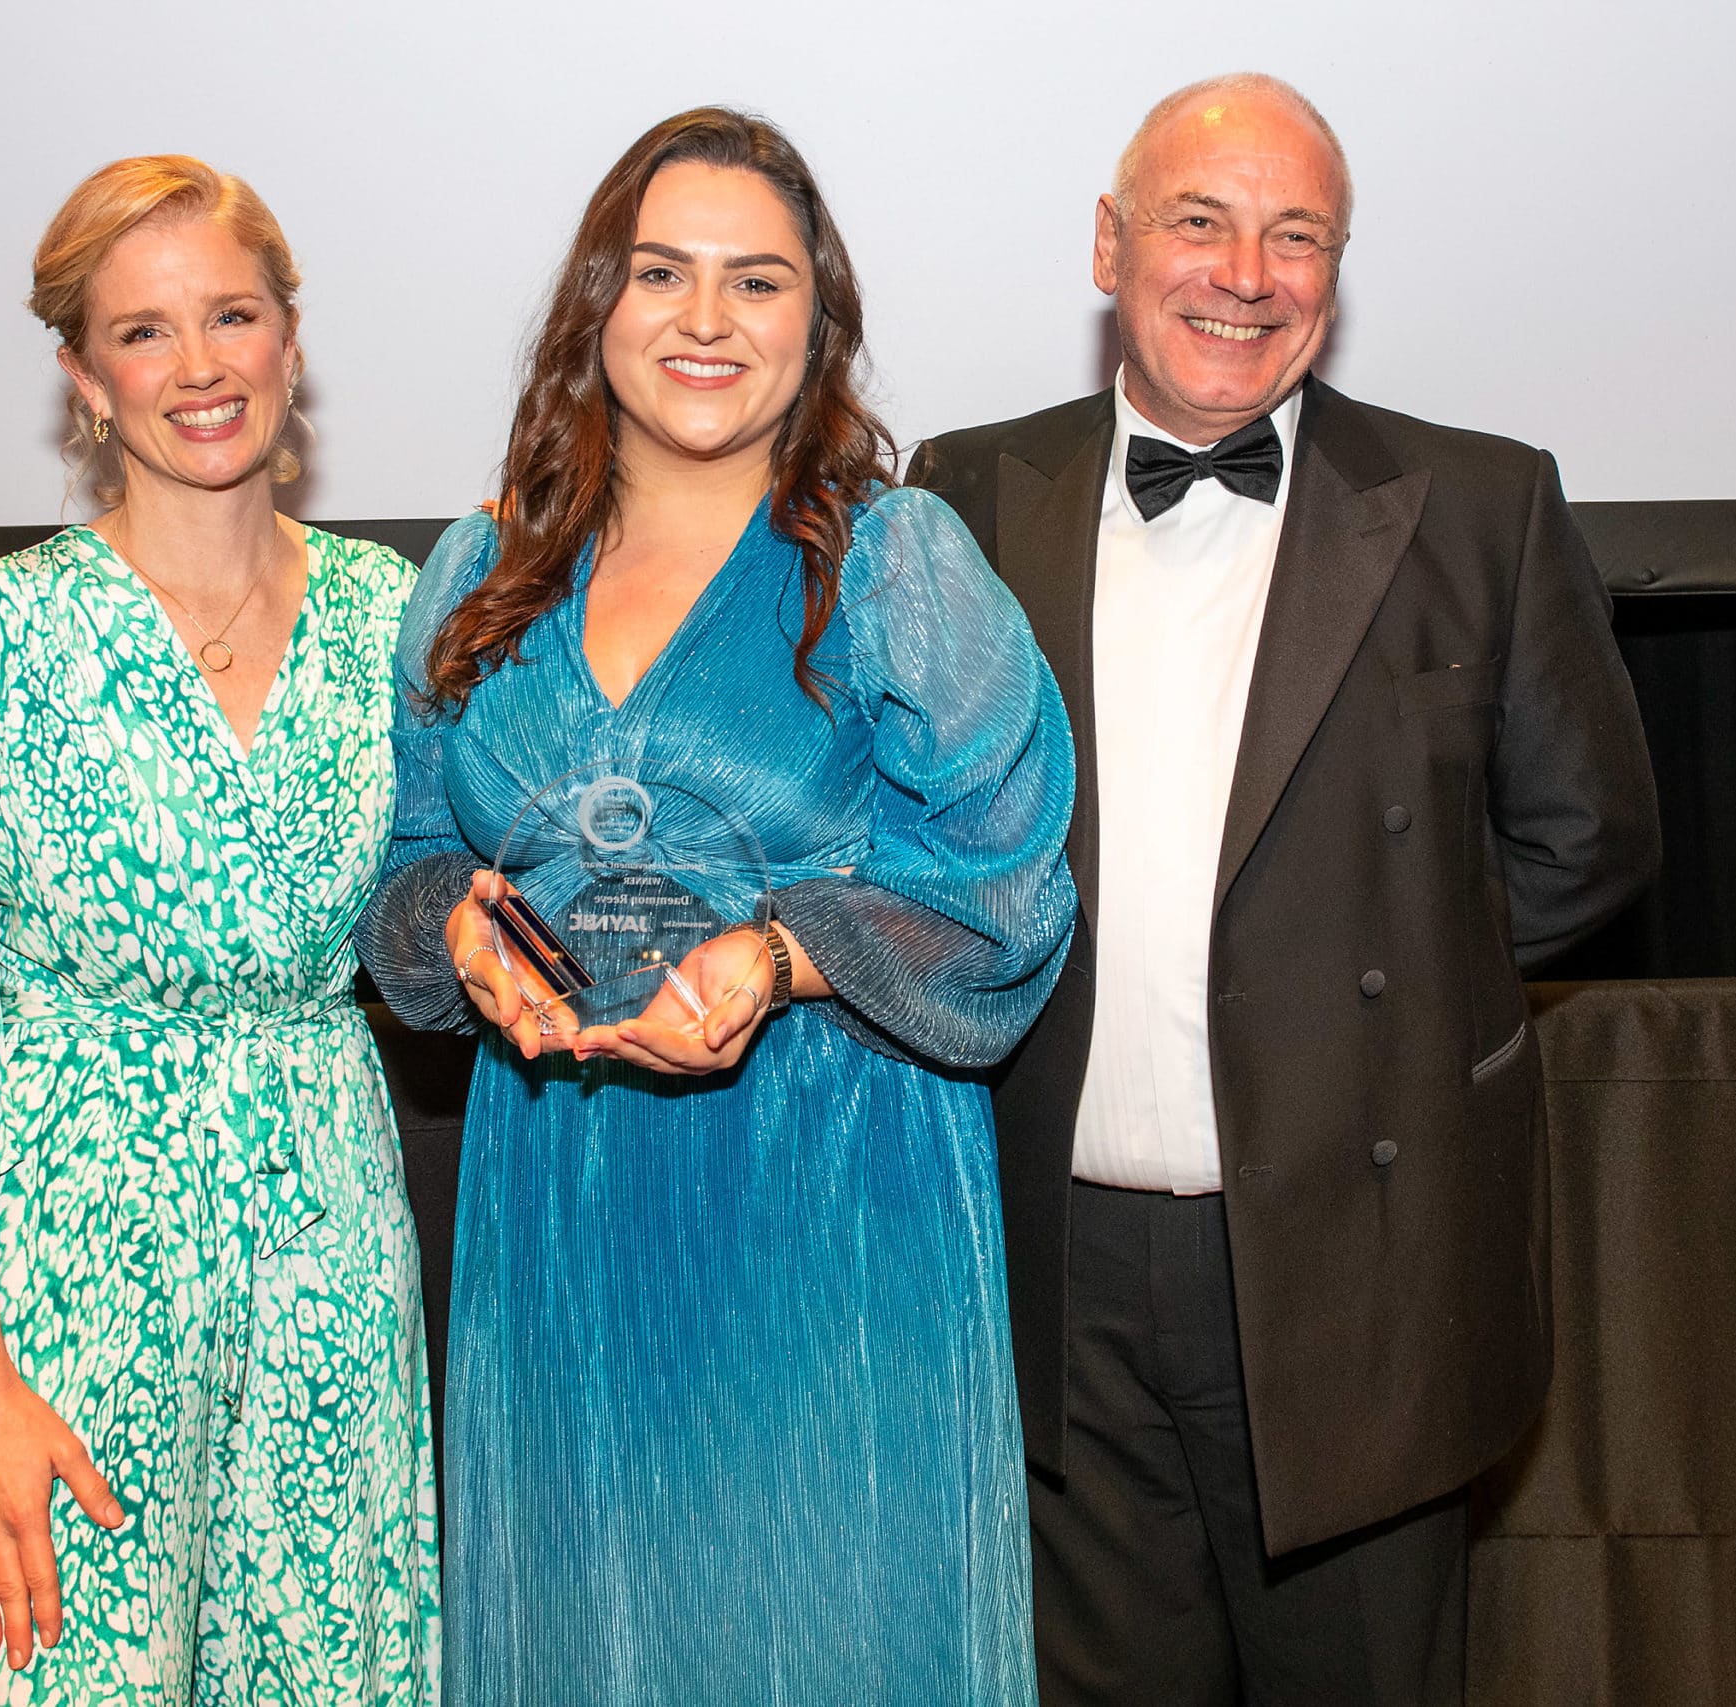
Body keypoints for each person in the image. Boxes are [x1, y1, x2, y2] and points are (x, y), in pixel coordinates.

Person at [907, 73, 1661, 1706]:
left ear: (1336, 270)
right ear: (1111, 246)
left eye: (1294, 234)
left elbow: (1590, 837)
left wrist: (1361, 995)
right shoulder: (961, 496)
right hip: (1059, 1281)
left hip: (1358, 1271)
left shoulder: (1479, 503)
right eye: (1200, 221)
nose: (1244, 273)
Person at [355, 108, 1074, 1702]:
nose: (704, 320)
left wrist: (786, 954)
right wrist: (457, 936)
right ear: (594, 306)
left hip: (831, 1207)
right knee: (579, 1633)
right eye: (662, 272)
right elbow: (401, 864)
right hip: (557, 1204)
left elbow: (1009, 888)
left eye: (756, 283)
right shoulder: (481, 568)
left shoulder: (894, 565)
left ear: (815, 327)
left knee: (822, 1632)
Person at [0, 155, 438, 1704]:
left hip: (330, 1272)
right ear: (84, 379)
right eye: (145, 333)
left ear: (292, 338)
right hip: (70, 1300)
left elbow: (455, 910)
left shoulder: (396, 618)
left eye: (233, 315)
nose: (201, 366)